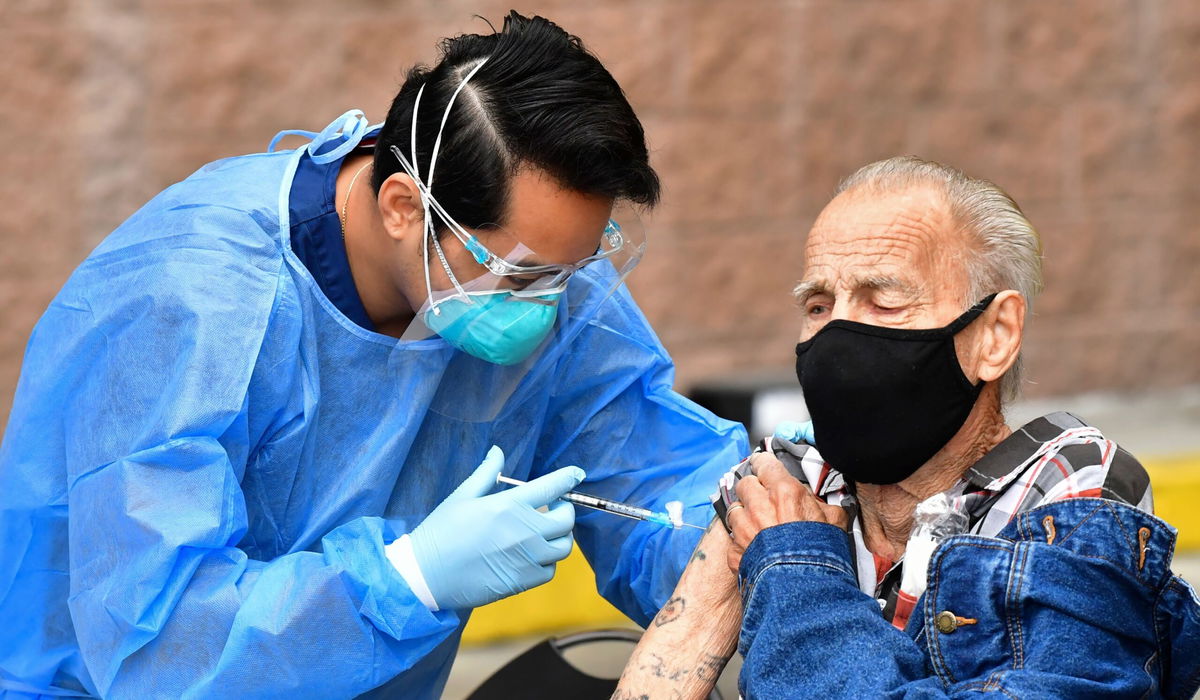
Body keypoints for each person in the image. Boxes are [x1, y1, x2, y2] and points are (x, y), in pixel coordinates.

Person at [0, 13, 748, 699]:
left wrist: (771, 530)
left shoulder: (544, 271)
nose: (549, 307)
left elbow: (653, 480)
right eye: (522, 276)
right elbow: (156, 648)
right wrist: (406, 580)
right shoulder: (190, 303)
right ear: (403, 207)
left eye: (572, 272)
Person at [613, 156, 1200, 699]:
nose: (838, 337)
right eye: (819, 306)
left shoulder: (1070, 493)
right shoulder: (788, 484)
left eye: (884, 303)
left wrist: (798, 569)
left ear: (994, 336)